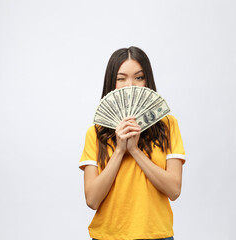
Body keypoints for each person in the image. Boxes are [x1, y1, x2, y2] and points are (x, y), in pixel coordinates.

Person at [79, 46, 186, 240]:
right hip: (107, 236)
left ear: (147, 81)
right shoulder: (95, 134)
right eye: (121, 78)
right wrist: (120, 150)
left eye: (139, 77)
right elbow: (92, 200)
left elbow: (174, 190)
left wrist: (135, 150)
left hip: (157, 234)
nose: (131, 85)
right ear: (112, 82)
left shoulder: (167, 125)